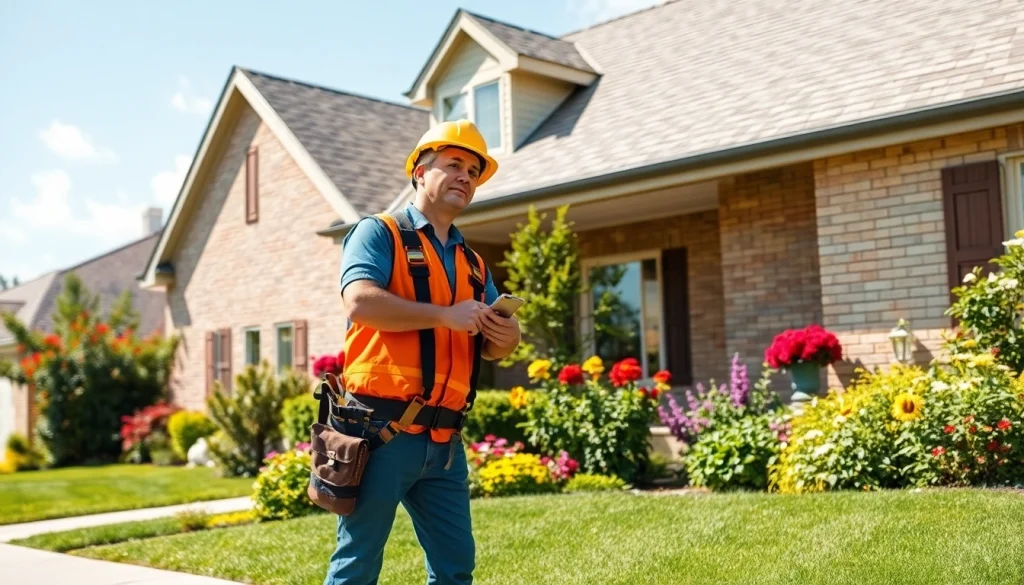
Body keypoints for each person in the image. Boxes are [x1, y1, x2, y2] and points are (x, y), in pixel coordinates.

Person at [324, 119, 521, 585]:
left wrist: (505, 334)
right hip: (381, 431)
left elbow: (495, 348)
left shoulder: (472, 263)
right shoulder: (378, 233)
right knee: (358, 564)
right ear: (419, 172)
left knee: (455, 570)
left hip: (445, 443)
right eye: (454, 165)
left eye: (474, 171)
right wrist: (444, 314)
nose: (465, 178)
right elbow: (360, 301)